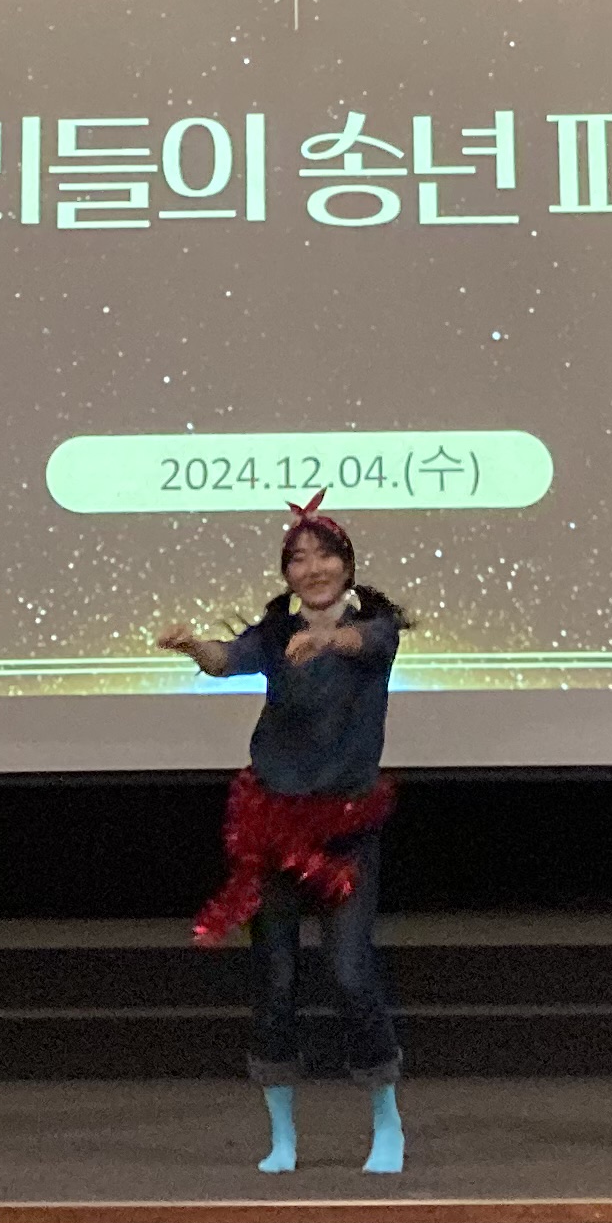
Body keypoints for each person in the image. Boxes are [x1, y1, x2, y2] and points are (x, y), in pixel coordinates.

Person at [163, 501, 410, 1177]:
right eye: (298, 559)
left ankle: (386, 1119)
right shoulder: (275, 634)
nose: (312, 568)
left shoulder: (377, 630)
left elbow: (361, 644)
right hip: (273, 827)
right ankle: (281, 1134)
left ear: (347, 566)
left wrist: (326, 642)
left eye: (324, 555)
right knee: (275, 981)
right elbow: (225, 660)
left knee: (350, 972)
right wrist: (193, 646)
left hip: (345, 831)